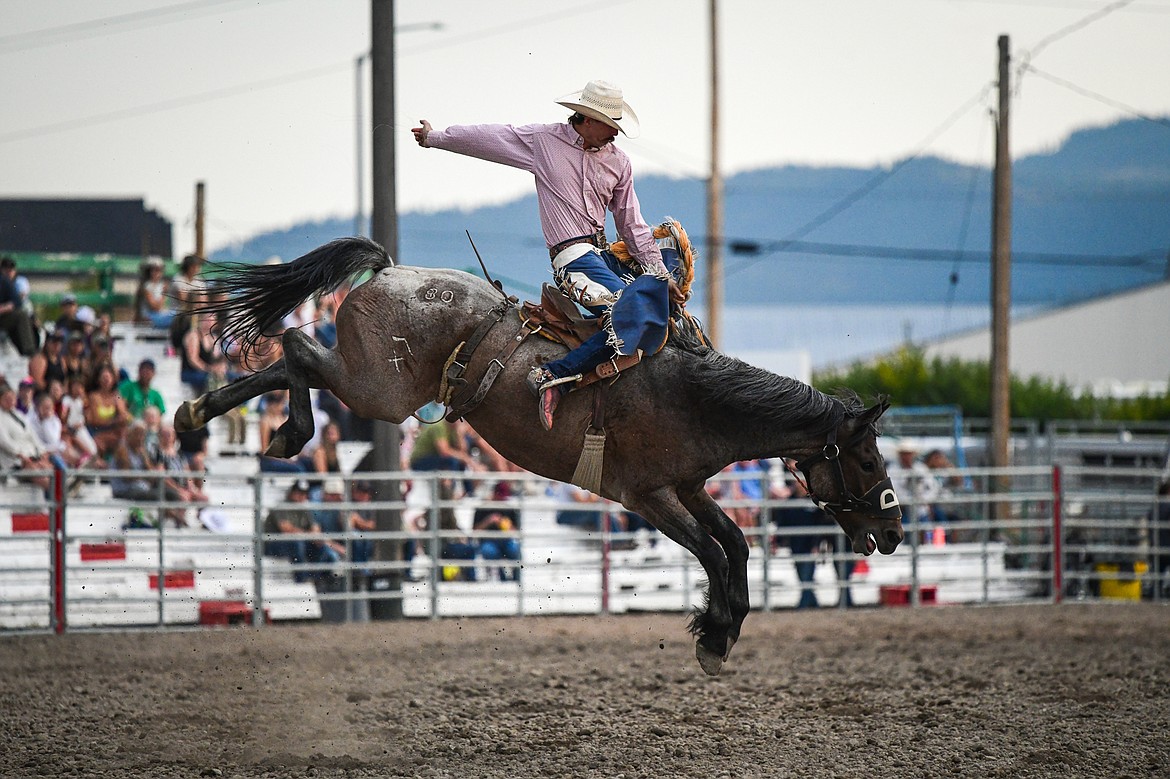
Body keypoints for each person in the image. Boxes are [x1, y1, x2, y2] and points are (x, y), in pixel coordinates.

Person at [412, 79, 685, 430]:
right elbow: (492, 138)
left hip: (602, 256)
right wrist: (436, 138)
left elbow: (632, 225)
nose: (615, 134)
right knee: (628, 313)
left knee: (657, 315)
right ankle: (551, 374)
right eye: (610, 126)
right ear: (587, 119)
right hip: (571, 257)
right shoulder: (544, 141)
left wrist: (660, 277)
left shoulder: (620, 163)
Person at [262, 479, 343, 583]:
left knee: (320, 546)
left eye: (304, 493)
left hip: (297, 542)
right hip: (273, 544)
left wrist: (326, 542)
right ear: (292, 493)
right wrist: (310, 535)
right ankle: (301, 578)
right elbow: (286, 529)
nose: (301, 496)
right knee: (298, 543)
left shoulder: (304, 509)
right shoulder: (282, 506)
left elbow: (315, 530)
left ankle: (316, 578)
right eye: (299, 493)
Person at [0, 381, 54, 492]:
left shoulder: (19, 415)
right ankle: (58, 496)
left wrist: (41, 451)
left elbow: (32, 435)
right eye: (6, 398)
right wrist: (21, 454)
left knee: (47, 465)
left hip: (31, 455)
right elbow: (5, 442)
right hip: (16, 461)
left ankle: (61, 492)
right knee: (35, 470)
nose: (10, 400)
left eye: (12, 397)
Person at [84, 363, 132, 460]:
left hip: (112, 430)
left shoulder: (117, 395)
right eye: (104, 377)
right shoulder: (94, 396)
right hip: (97, 430)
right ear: (99, 379)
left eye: (108, 377)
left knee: (125, 433)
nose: (106, 380)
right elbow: (95, 420)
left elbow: (124, 415)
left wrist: (120, 412)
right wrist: (114, 420)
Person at [0, 256, 38, 356]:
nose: (9, 272)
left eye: (11, 269)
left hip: (2, 317)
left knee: (21, 315)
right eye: (6, 269)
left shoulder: (4, 281)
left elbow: (17, 301)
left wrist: (4, 308)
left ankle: (29, 351)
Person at [133, 257, 175, 328]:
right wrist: (164, 293)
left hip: (158, 315)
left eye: (159, 270)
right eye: (154, 270)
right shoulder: (146, 286)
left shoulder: (161, 285)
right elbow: (155, 307)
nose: (157, 273)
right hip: (148, 317)